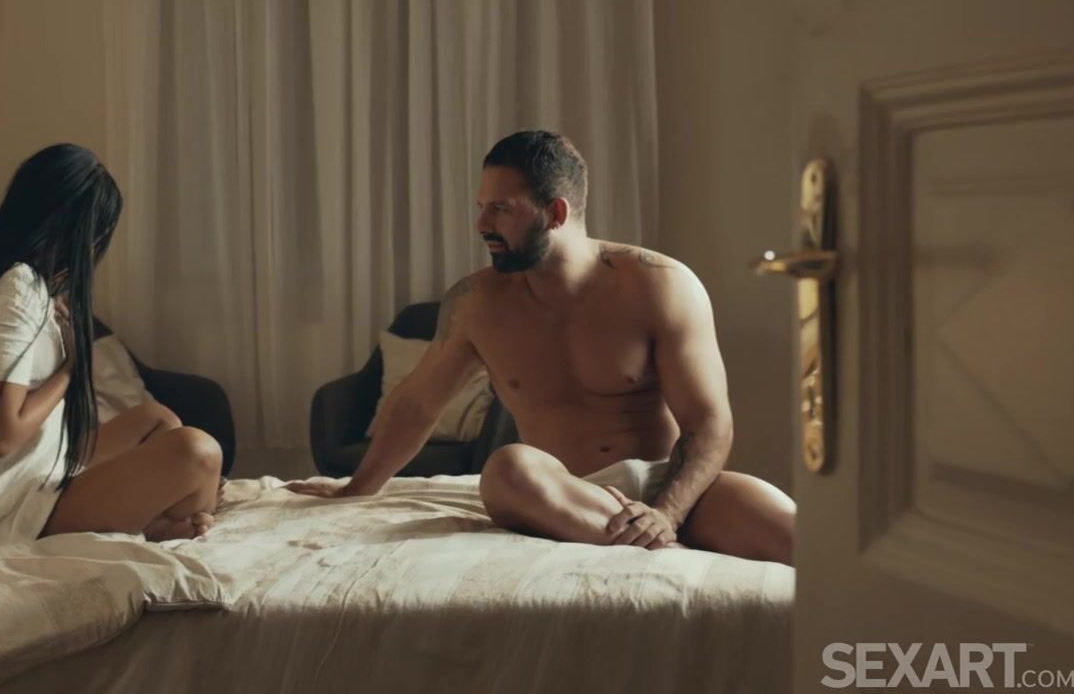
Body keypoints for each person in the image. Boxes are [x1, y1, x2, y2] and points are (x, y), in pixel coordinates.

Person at [289, 131, 795, 565]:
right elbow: (418, 402)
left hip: (667, 486)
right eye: (481, 207)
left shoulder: (658, 284)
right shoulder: (476, 303)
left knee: (787, 528)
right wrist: (357, 488)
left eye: (501, 209)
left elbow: (709, 422)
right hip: (562, 493)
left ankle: (654, 540)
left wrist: (666, 513)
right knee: (508, 469)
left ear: (555, 212)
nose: (482, 225)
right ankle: (660, 552)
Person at [0, 143, 222, 555]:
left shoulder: (18, 282)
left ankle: (170, 520)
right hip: (3, 509)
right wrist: (70, 368)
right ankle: (173, 521)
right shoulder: (19, 289)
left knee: (156, 419)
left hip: (36, 471)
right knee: (197, 451)